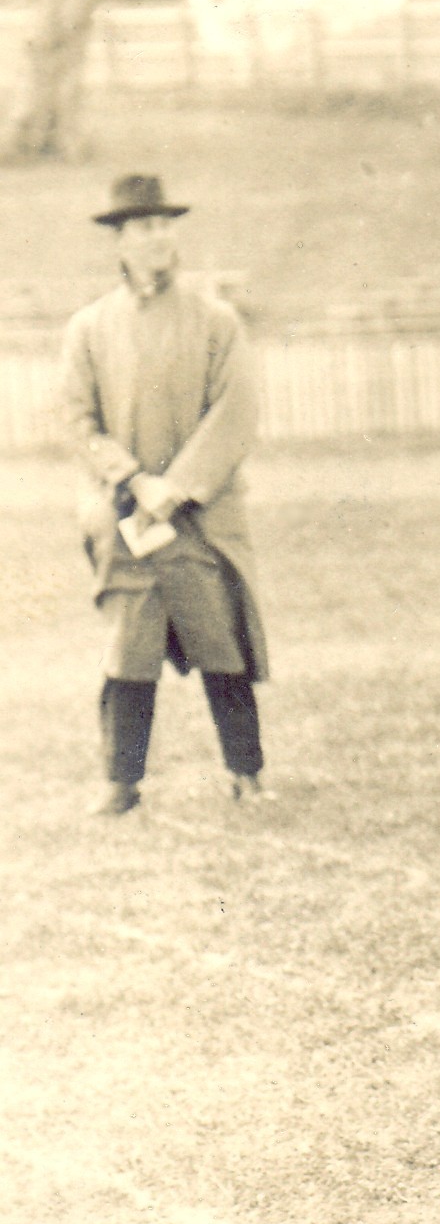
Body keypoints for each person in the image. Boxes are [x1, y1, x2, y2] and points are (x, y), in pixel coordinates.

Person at [60, 175, 271, 814]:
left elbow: (236, 412)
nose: (157, 238)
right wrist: (132, 480)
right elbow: (76, 418)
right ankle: (120, 782)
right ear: (120, 241)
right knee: (129, 647)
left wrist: (177, 488)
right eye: (142, 228)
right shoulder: (90, 328)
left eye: (164, 226)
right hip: (126, 517)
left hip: (198, 517)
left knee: (219, 642)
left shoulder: (215, 321)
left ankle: (247, 772)